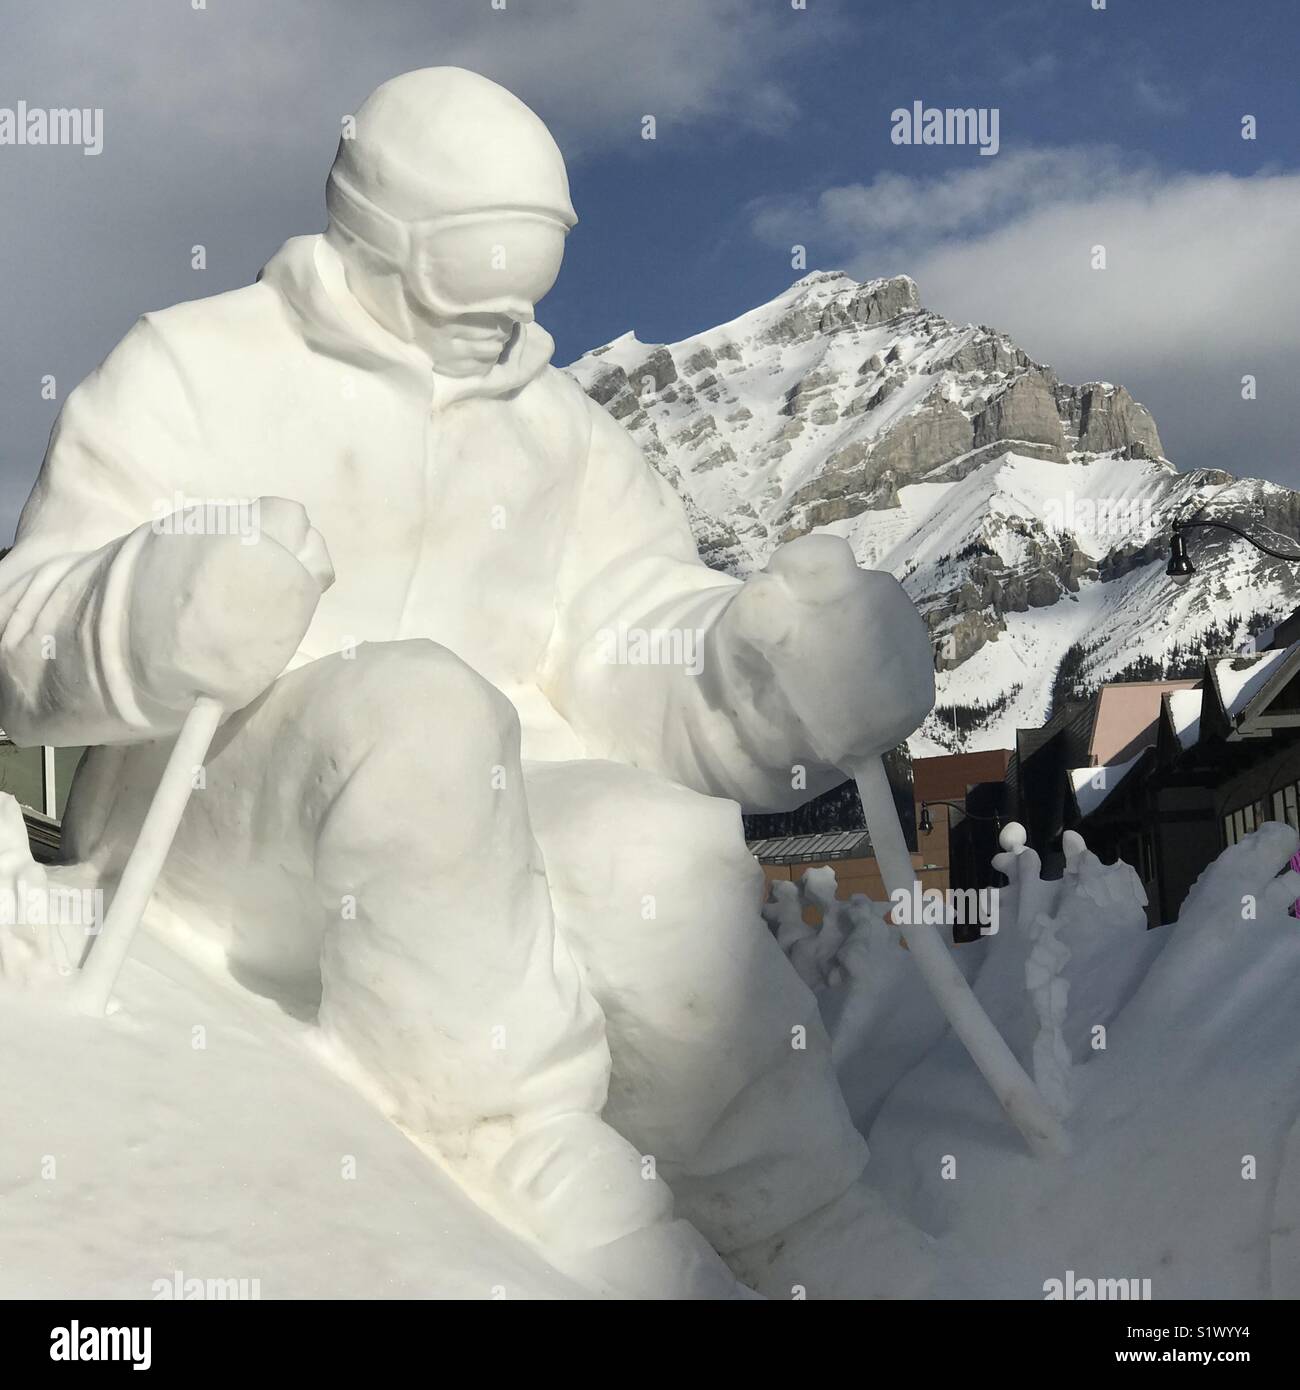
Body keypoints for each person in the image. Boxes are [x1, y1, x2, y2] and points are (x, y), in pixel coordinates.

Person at [0, 68, 934, 1297]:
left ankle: (790, 1206)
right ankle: (516, 1146)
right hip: (231, 820)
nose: (504, 307)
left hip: (479, 809)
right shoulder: (193, 368)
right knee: (419, 716)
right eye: (474, 259)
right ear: (376, 235)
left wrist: (769, 676)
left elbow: (628, 634)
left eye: (537, 264)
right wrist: (159, 610)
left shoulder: (560, 436)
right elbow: (26, 630)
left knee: (648, 850)